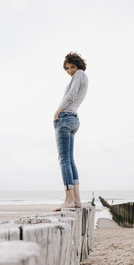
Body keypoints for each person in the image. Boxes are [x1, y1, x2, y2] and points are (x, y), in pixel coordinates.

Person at [53, 52, 89, 211]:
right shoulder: (81, 76)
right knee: (70, 159)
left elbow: (71, 95)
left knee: (64, 160)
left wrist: (57, 112)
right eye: (67, 68)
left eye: (72, 67)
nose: (70, 71)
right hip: (73, 118)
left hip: (66, 117)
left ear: (78, 65)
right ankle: (77, 200)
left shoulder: (80, 74)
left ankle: (68, 199)